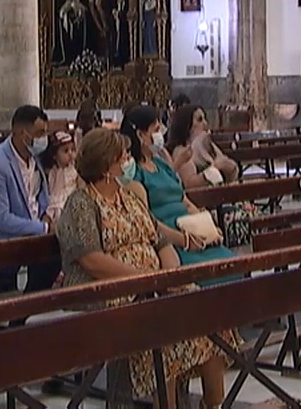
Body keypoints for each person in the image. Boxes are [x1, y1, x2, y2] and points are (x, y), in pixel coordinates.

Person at [55, 128, 238, 407]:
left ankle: (213, 403)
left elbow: (160, 240)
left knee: (208, 314)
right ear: (106, 165)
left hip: (153, 286)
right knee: (163, 327)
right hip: (108, 290)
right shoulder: (81, 203)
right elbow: (91, 258)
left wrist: (169, 276)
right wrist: (143, 279)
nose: (129, 160)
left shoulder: (130, 197)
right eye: (124, 156)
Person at [119, 105, 238, 286]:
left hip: (192, 232)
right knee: (210, 277)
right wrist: (184, 240)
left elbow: (185, 201)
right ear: (141, 135)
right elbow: (146, 220)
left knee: (233, 266)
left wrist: (207, 226)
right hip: (170, 240)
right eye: (156, 130)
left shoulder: (161, 164)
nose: (160, 135)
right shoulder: (133, 173)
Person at [0, 105, 61, 298]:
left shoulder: (35, 159)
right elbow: (2, 219)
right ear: (20, 132)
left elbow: (41, 197)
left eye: (45, 133)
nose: (43, 139)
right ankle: (17, 317)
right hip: (4, 240)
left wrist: (47, 216)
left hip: (35, 234)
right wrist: (43, 228)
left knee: (56, 253)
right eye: (39, 133)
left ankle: (34, 305)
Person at [166, 105, 255, 246]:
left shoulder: (206, 146)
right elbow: (190, 186)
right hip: (204, 210)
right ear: (187, 126)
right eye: (200, 120)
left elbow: (231, 173)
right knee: (250, 219)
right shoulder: (182, 152)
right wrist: (213, 170)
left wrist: (229, 168)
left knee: (263, 218)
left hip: (220, 201)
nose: (205, 124)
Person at [40, 131, 78, 223]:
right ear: (54, 155)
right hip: (57, 202)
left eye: (72, 150)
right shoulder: (52, 173)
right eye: (65, 151)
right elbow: (54, 193)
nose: (70, 154)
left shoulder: (75, 170)